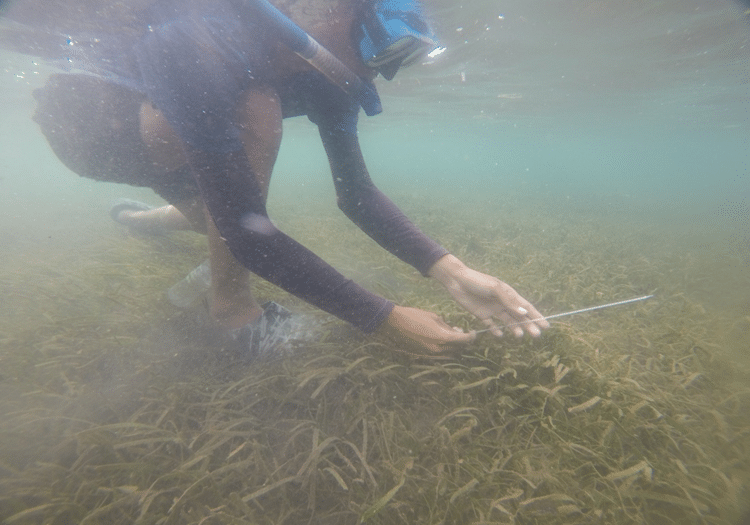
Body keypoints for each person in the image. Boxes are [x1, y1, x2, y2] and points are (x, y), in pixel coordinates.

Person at [15, 0, 550, 355]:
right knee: (255, 125)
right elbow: (246, 234)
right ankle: (231, 312)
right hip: (88, 125)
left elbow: (356, 194)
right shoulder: (205, 38)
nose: (377, 69)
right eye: (377, 44)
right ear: (330, 12)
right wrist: (383, 317)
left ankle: (140, 220)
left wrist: (452, 272)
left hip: (166, 144)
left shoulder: (331, 78)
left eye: (394, 58)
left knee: (221, 208)